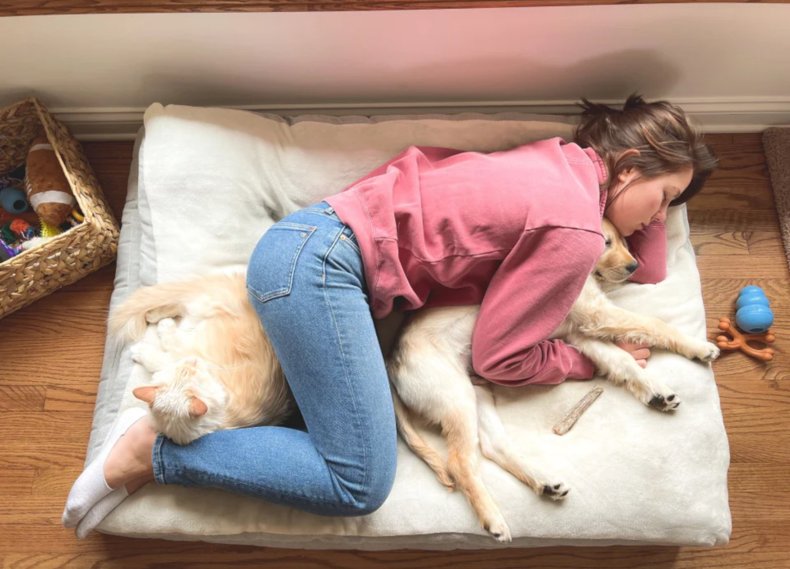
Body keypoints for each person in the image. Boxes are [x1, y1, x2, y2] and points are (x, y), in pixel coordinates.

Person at [62, 94, 718, 537]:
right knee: (359, 481)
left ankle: (171, 445)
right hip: (325, 268)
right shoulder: (575, 229)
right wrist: (584, 362)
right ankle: (152, 456)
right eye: (663, 200)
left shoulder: (561, 161)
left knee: (307, 419)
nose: (660, 223)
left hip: (311, 254)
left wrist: (652, 189)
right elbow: (499, 357)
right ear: (626, 169)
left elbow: (650, 266)